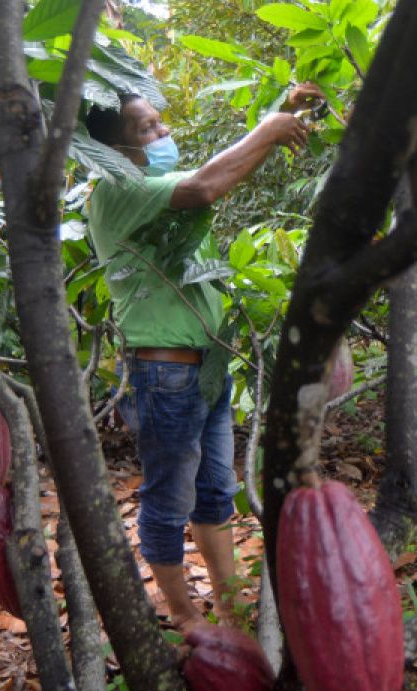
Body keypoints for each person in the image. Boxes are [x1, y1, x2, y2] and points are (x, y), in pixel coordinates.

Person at [85, 85, 322, 630]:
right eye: (146, 129)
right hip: (162, 373)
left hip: (205, 370)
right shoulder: (117, 192)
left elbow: (207, 184)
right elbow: (205, 186)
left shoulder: (158, 195)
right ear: (114, 151)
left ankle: (230, 606)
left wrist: (282, 114)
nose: (164, 132)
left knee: (216, 490)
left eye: (158, 122)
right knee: (168, 496)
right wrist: (269, 128)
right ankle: (186, 617)